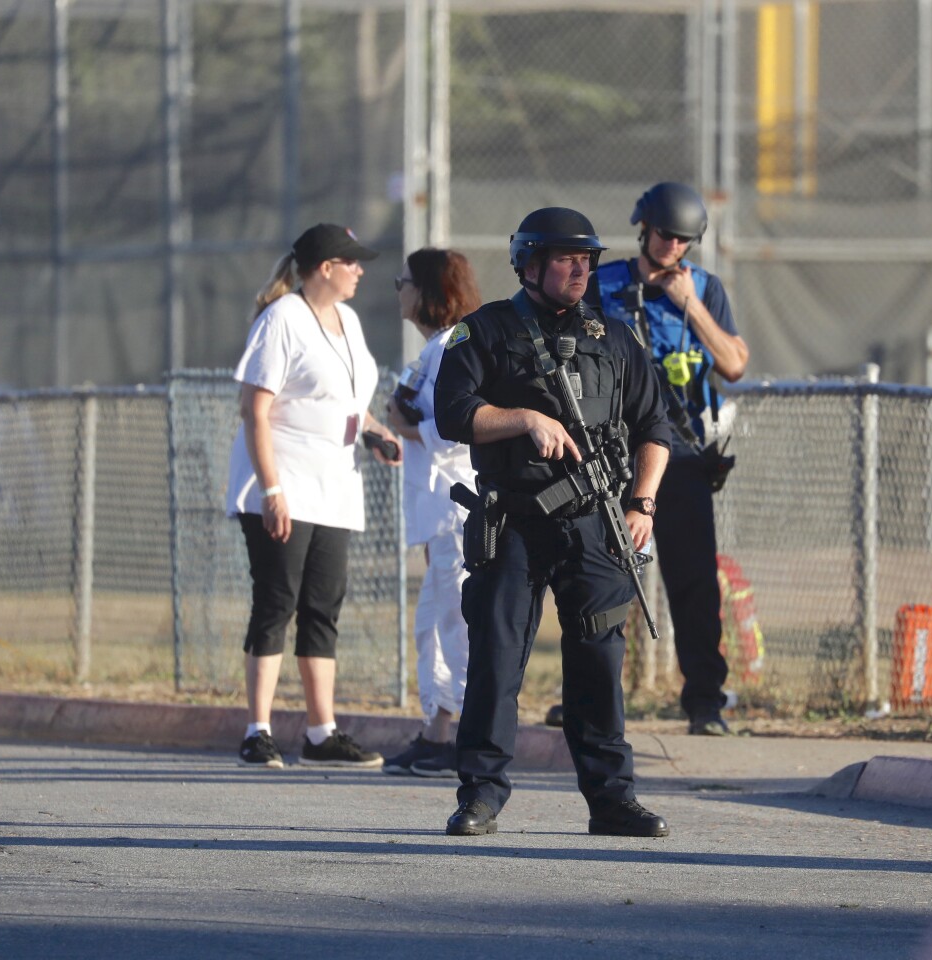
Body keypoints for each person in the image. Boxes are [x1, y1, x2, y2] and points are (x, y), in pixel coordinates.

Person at [433, 207, 673, 837]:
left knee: (598, 662)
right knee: (497, 658)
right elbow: (454, 414)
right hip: (513, 520)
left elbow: (655, 428)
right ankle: (481, 795)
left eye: (588, 259)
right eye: (568, 259)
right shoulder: (482, 332)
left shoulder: (615, 339)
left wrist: (642, 502)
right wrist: (525, 420)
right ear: (530, 264)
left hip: (595, 524)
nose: (582, 270)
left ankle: (612, 800)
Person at [226, 223, 401, 769]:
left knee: (323, 607)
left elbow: (347, 400)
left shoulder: (347, 320)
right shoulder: (281, 320)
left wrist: (374, 430)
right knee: (277, 601)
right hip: (283, 483)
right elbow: (255, 409)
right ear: (325, 267)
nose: (360, 270)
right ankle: (258, 730)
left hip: (334, 486)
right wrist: (272, 490)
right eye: (351, 262)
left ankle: (321, 733)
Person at [589, 182, 749, 735]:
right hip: (611, 457)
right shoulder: (604, 283)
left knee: (695, 583)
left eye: (684, 240)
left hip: (680, 457)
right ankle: (589, 698)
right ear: (643, 228)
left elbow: (734, 364)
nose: (672, 247)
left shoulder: (704, 288)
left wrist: (690, 306)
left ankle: (705, 699)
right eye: (664, 235)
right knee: (599, 578)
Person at [381, 248, 481, 778]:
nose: (398, 291)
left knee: (455, 623)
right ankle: (437, 733)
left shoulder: (452, 349)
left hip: (458, 510)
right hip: (438, 514)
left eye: (404, 282)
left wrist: (404, 425)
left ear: (428, 291)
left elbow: (453, 432)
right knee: (435, 625)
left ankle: (469, 734)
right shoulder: (434, 350)